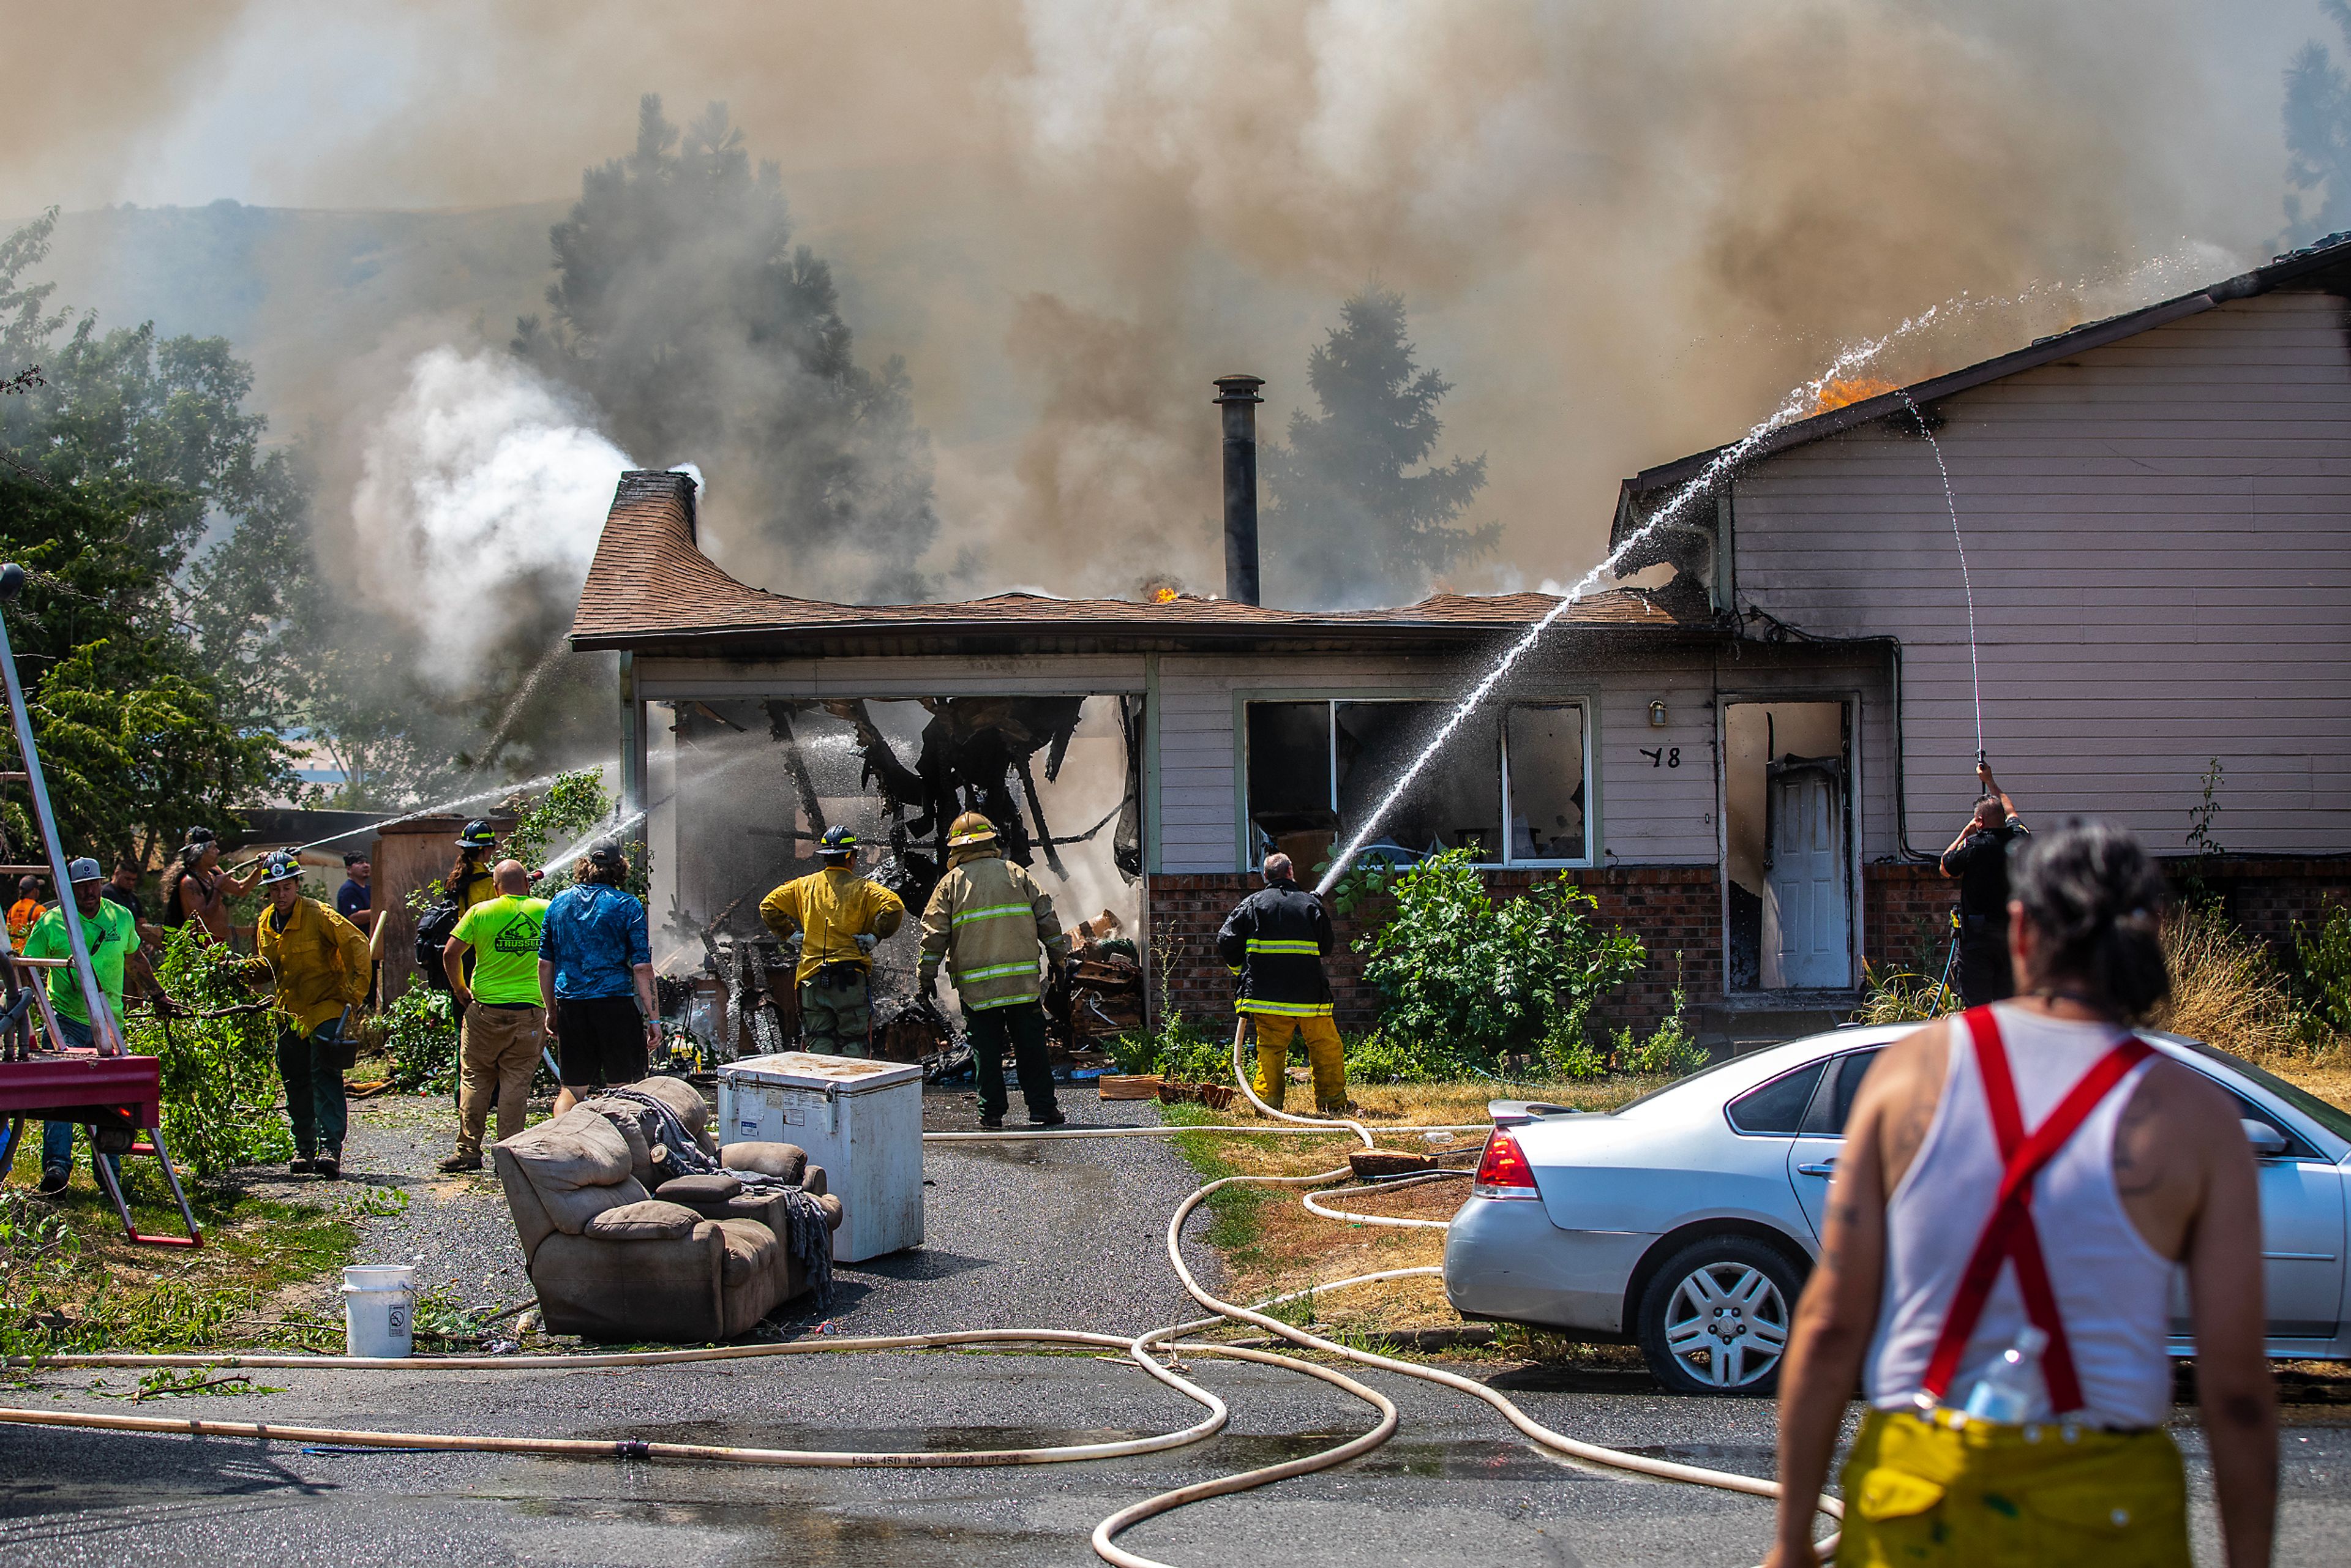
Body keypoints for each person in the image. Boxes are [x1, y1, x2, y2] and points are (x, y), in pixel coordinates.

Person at [1767, 820, 2275, 1568]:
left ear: (2019, 927)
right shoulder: (2193, 1115)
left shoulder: (1912, 1075)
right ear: (2153, 933)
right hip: (2107, 1507)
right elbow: (2234, 1386)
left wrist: (1790, 1543)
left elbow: (1834, 1325)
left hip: (1921, 1495)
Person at [918, 812, 1067, 1131]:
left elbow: (934, 937)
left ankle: (992, 1114)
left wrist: (925, 976)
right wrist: (1058, 959)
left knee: (986, 1052)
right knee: (1031, 1046)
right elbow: (1048, 919)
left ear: (955, 848)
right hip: (1021, 983)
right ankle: (1042, 1109)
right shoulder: (1016, 874)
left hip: (978, 989)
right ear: (992, 841)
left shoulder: (950, 885)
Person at [22, 858, 155, 1194]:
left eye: (93, 883)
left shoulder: (119, 917)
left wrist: (159, 995)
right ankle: (56, 1170)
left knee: (110, 1101)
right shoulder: (51, 922)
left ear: (100, 883)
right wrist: (36, 1011)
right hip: (65, 1020)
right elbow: (26, 967)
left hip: (110, 1023)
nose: (89, 891)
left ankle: (109, 1175)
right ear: (68, 889)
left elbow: (135, 958)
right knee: (60, 1098)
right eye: (81, 886)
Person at [247, 852, 372, 1179]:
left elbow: (357, 943)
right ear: (268, 892)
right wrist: (237, 972)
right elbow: (269, 967)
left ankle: (330, 1148)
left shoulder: (319, 915)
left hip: (325, 1007)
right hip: (288, 1013)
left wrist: (354, 994)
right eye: (275, 890)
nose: (281, 894)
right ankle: (304, 1147)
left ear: (296, 885)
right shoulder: (265, 922)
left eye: (287, 887)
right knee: (295, 1079)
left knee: (325, 1074)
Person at [438, 859, 550, 1172]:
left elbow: (450, 953)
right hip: (531, 1014)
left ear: (496, 886)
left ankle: (467, 1152)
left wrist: (461, 990)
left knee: (475, 1078)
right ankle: (508, 1156)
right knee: (516, 1082)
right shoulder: (548, 909)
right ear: (527, 884)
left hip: (485, 1011)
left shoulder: (480, 912)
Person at [1218, 851, 1351, 1116]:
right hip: (1309, 997)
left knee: (1270, 1048)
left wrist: (1240, 972)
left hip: (1267, 998)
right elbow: (1326, 948)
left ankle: (1268, 1106)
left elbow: (1226, 940)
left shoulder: (1252, 904)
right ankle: (1333, 1103)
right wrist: (1313, 911)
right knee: (1325, 1046)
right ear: (1291, 872)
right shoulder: (1310, 905)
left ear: (1265, 877)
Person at [760, 825, 907, 1057]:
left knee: (818, 1042)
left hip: (812, 979)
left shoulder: (803, 886)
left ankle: (819, 1091)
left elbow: (768, 906)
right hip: (849, 979)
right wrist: (875, 937)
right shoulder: (864, 889)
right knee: (855, 1042)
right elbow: (894, 907)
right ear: (850, 857)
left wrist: (789, 935)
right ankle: (852, 1091)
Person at [536, 842, 656, 1116]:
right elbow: (642, 968)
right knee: (623, 1089)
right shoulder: (627, 905)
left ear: (585, 866)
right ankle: (623, 1153)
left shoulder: (559, 902)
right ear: (619, 868)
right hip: (615, 1004)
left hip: (572, 1005)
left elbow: (545, 963)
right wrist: (654, 1019)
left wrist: (550, 1010)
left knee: (572, 1089)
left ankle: (563, 1147)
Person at [1940, 761, 2029, 1007]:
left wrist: (1964, 834)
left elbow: (1945, 868)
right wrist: (1990, 781)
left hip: (1978, 942)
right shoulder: (2020, 839)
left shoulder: (1973, 847)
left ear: (1979, 821)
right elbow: (2011, 810)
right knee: (2008, 1008)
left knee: (1976, 1010)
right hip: (2010, 939)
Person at [160, 827, 260, 943]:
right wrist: (217, 888)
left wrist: (259, 869)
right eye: (213, 848)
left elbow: (240, 889)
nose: (218, 851)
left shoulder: (214, 871)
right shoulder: (189, 883)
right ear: (201, 852)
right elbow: (204, 919)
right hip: (200, 946)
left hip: (219, 943)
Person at [336, 850, 377, 936]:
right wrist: (380, 912)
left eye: (367, 862)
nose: (365, 865)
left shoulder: (369, 889)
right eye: (360, 863)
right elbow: (354, 918)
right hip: (355, 940)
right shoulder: (348, 890)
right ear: (349, 869)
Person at [7, 874, 42, 947]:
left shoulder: (13, 908)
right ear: (34, 890)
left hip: (13, 950)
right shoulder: (39, 909)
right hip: (30, 950)